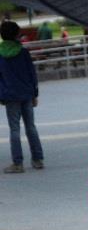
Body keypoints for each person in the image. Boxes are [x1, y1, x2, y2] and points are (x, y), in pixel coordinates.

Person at [0, 20, 43, 173]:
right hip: (26, 93)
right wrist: (35, 93)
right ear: (16, 34)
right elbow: (32, 74)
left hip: (10, 95)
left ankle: (18, 163)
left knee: (14, 129)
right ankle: (38, 159)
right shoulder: (23, 52)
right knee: (31, 126)